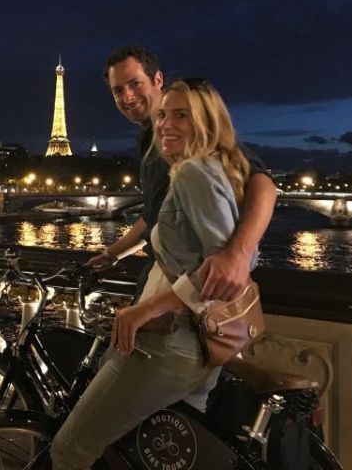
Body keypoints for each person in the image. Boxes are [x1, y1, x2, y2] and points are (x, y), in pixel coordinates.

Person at [50, 79, 258, 469]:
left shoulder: (194, 173)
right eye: (163, 115)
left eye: (182, 115)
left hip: (171, 341)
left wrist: (145, 310)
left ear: (207, 122)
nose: (165, 124)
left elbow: (223, 271)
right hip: (203, 346)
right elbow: (234, 256)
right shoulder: (217, 170)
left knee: (69, 449)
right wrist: (114, 253)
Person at [88, 46, 275, 303]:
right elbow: (153, 215)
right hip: (164, 280)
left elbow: (262, 182)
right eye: (118, 90)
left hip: (184, 292)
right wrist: (112, 255)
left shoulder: (189, 138)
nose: (127, 97)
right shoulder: (151, 138)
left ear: (158, 80)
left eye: (135, 84)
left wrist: (238, 256)